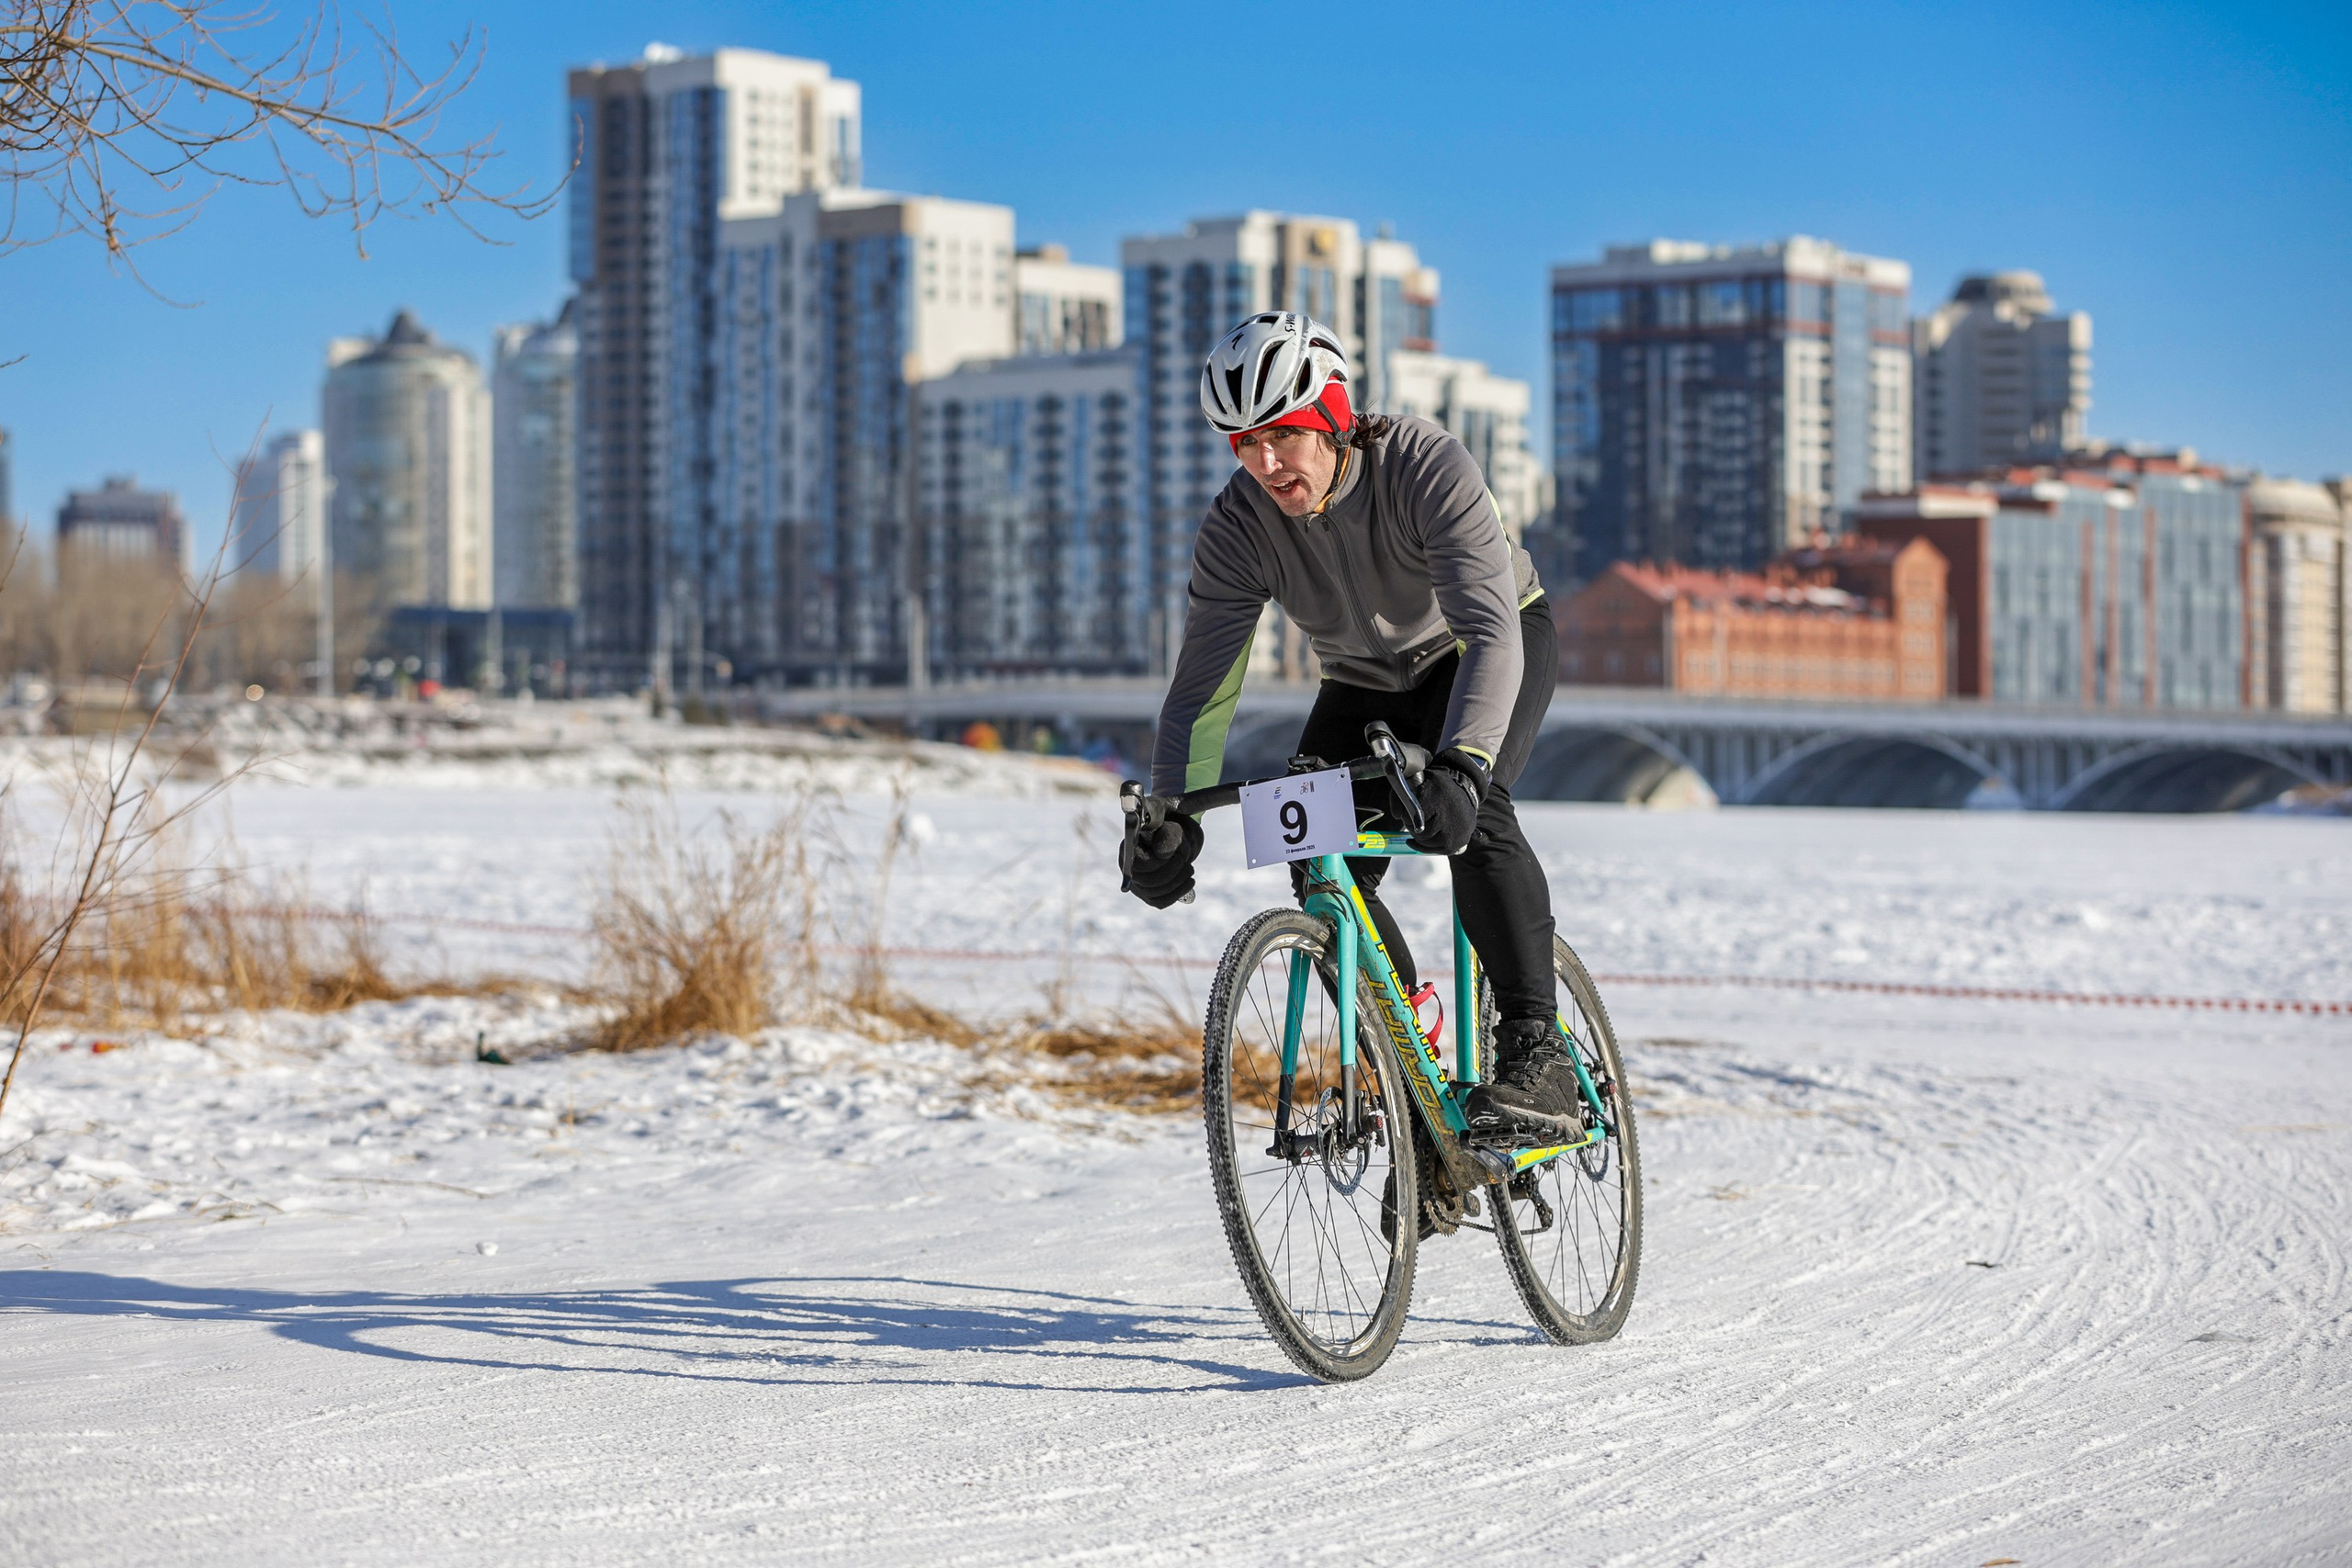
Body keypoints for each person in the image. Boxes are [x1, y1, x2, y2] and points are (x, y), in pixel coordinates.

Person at [1122, 310, 1577, 1138]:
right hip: (1364, 682)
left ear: (1332, 414)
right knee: (1314, 852)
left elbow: (1490, 633)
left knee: (1477, 818)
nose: (1264, 463)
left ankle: (1537, 1054)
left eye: (1281, 435)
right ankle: (1408, 1056)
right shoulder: (1237, 528)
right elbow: (1202, 691)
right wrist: (1172, 816)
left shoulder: (1424, 466)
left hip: (1490, 643)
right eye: (1241, 443)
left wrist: (1464, 765)